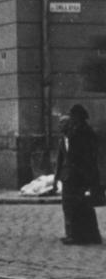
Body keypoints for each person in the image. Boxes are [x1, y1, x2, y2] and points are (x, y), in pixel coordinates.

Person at [54, 105, 102, 245]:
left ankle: (79, 236)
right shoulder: (78, 131)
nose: (71, 119)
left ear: (78, 117)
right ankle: (85, 235)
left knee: (77, 206)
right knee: (80, 206)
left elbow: (85, 156)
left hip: (79, 176)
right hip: (75, 176)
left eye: (72, 116)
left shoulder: (82, 132)